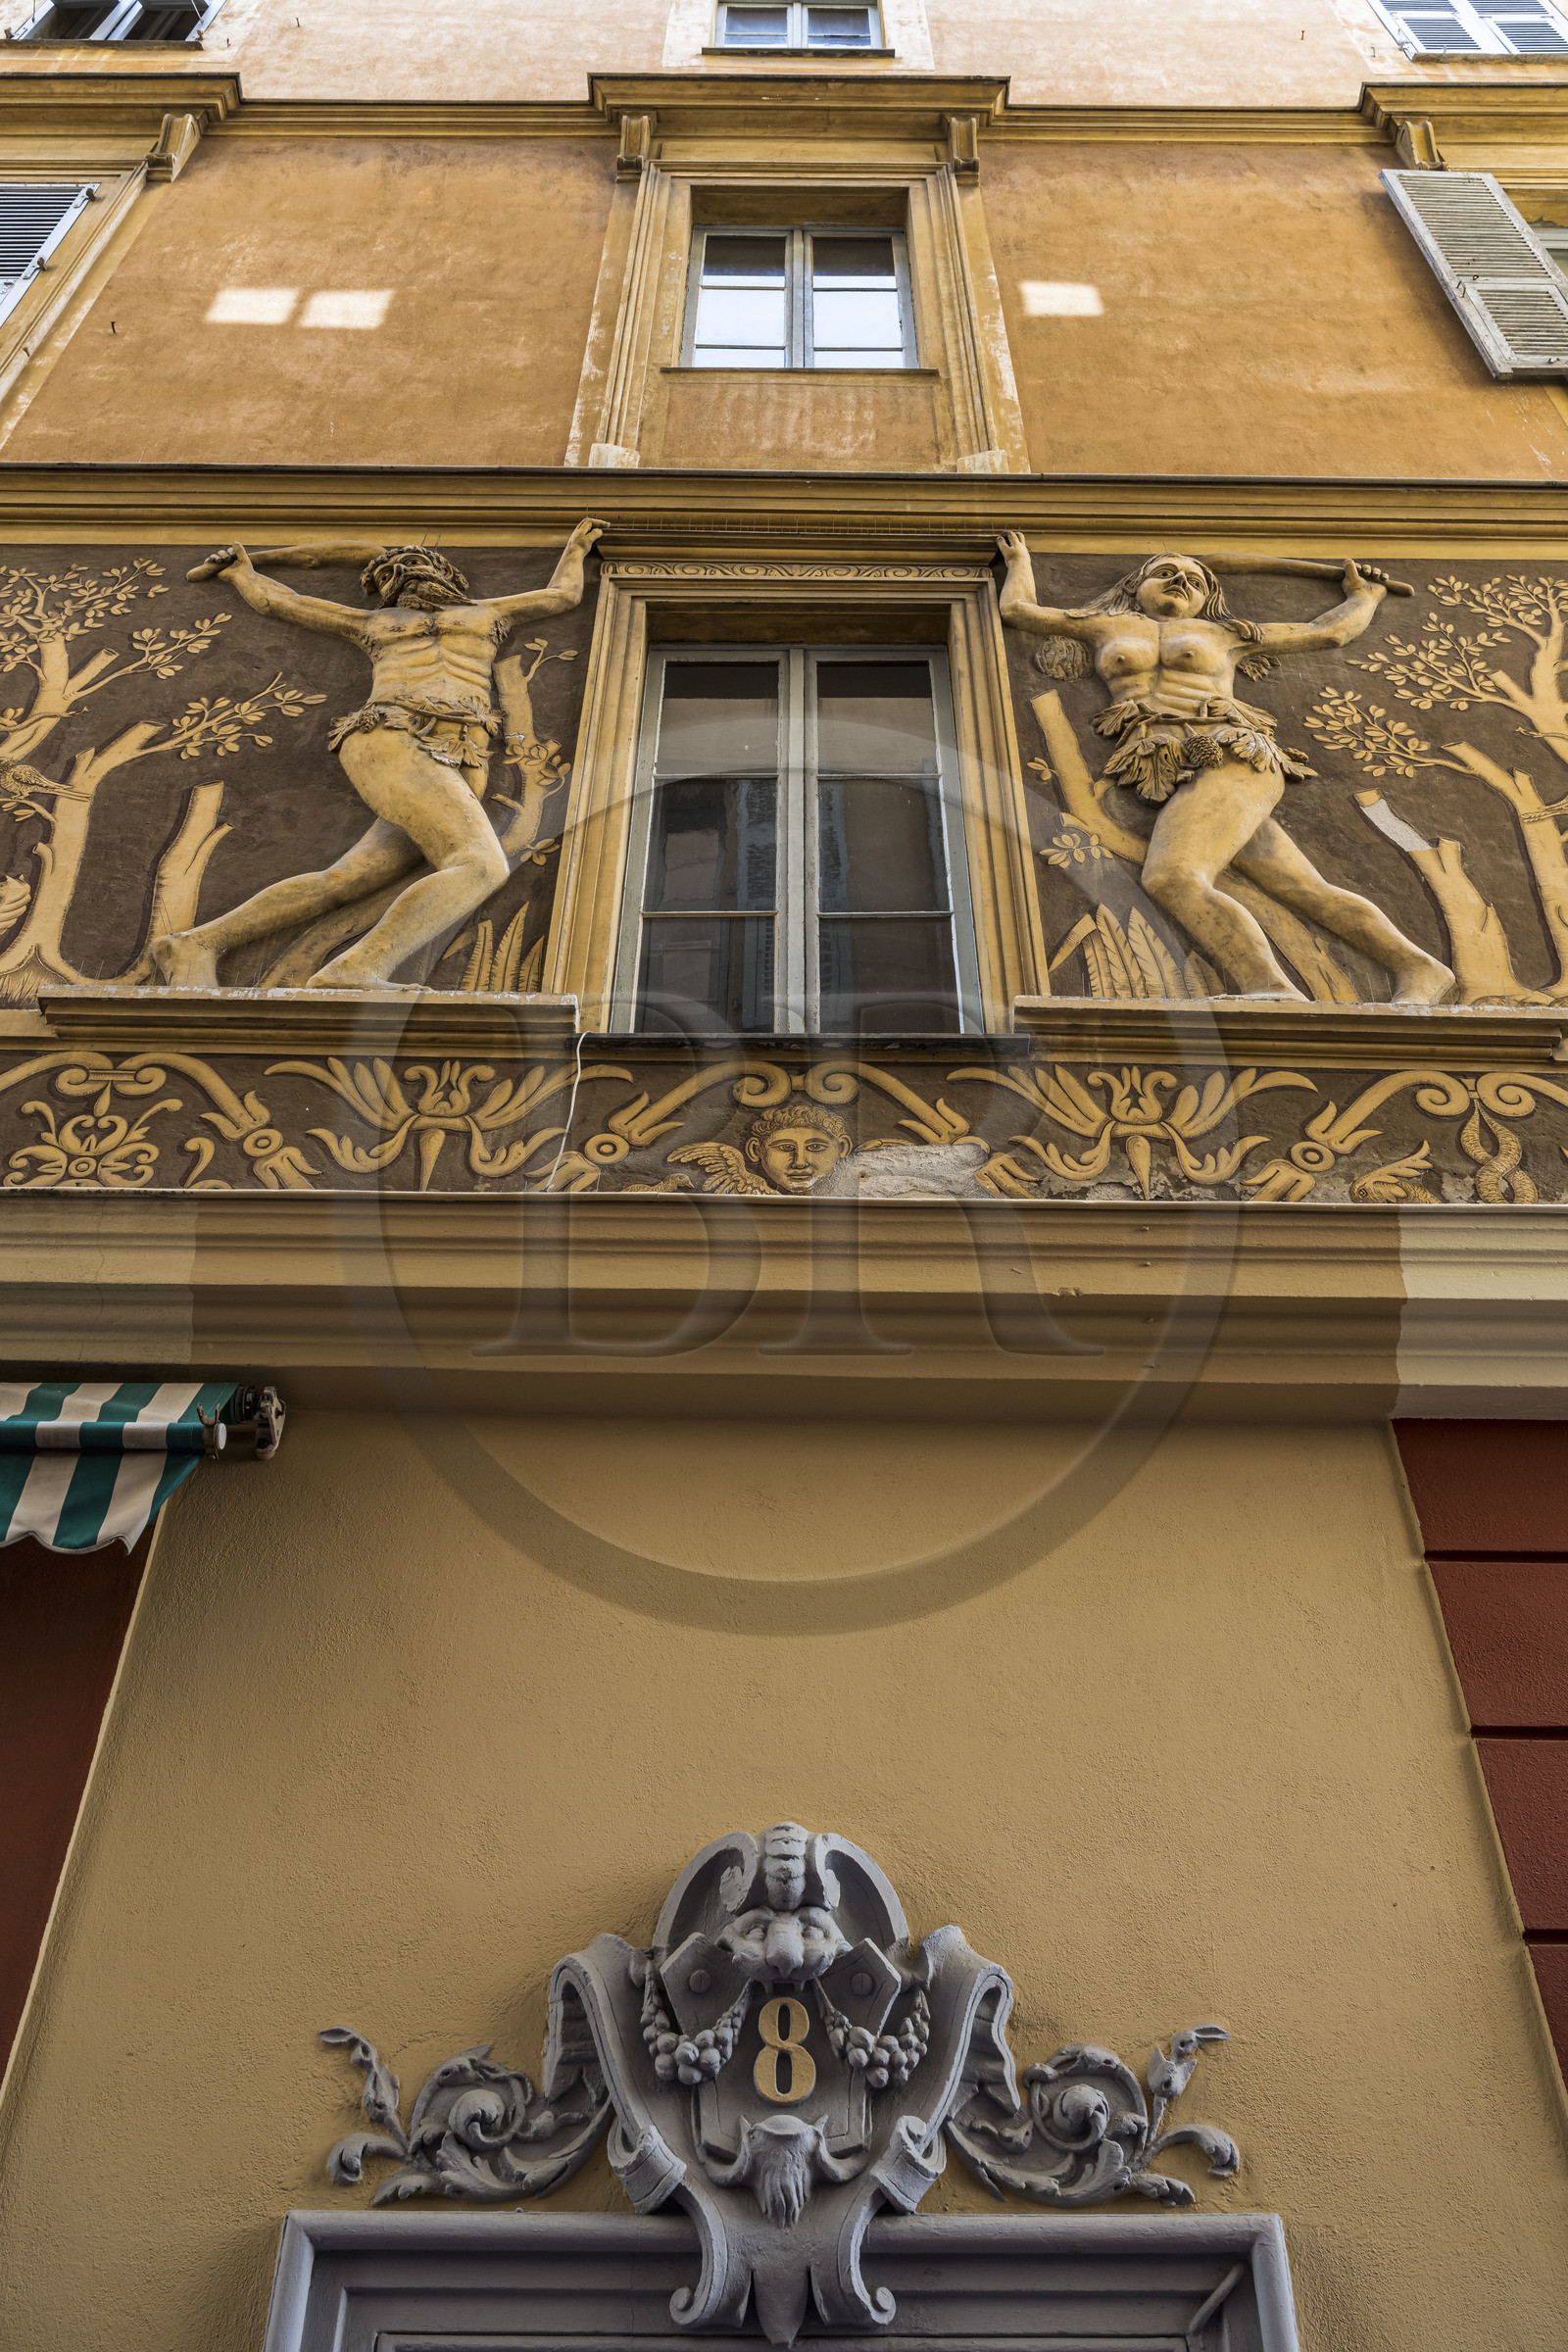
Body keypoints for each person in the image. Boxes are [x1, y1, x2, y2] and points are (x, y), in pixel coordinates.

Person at [997, 536, 1455, 1004]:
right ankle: (1420, 968)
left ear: (1206, 599)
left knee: (1173, 877)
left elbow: (1326, 633)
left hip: (1229, 751)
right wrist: (1019, 560)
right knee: (1303, 886)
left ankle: (1270, 988)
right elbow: (1020, 611)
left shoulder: (1225, 634)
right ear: (1136, 585)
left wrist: (1365, 596)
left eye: (1194, 581)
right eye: (1166, 573)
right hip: (1170, 763)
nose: (1179, 582)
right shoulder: (1102, 624)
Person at [150, 520, 605, 992]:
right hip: (393, 734)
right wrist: (244, 569)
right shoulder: (374, 624)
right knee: (479, 865)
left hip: (463, 754)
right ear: (384, 591)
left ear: (449, 575)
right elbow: (286, 602)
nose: (405, 571)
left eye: (417, 562)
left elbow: (563, 596)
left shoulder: (490, 613)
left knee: (347, 879)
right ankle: (354, 969)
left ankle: (195, 943)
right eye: (391, 571)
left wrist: (575, 549)